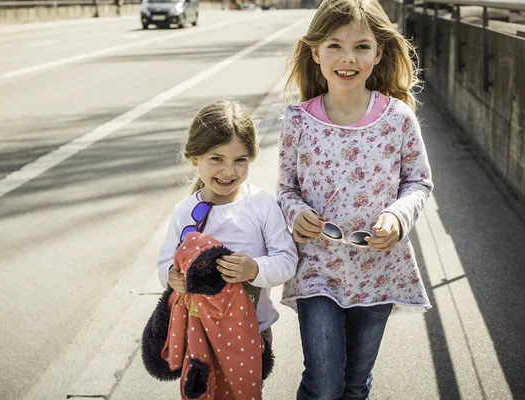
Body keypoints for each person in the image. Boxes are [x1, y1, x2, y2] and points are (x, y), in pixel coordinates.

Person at [276, 0, 434, 399]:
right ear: (315, 52)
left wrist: (398, 217)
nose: (348, 58)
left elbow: (418, 182)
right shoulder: (297, 120)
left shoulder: (397, 118)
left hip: (378, 271)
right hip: (317, 269)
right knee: (324, 384)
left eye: (361, 47)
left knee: (355, 384)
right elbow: (285, 189)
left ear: (378, 53)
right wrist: (296, 213)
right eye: (334, 46)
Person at [157, 98, 299, 371]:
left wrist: (254, 268)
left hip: (252, 328)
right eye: (216, 159)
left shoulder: (262, 205)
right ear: (195, 157)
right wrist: (171, 276)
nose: (229, 171)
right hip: (197, 329)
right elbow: (165, 261)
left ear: (251, 158)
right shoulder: (185, 211)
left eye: (240, 160)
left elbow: (287, 260)